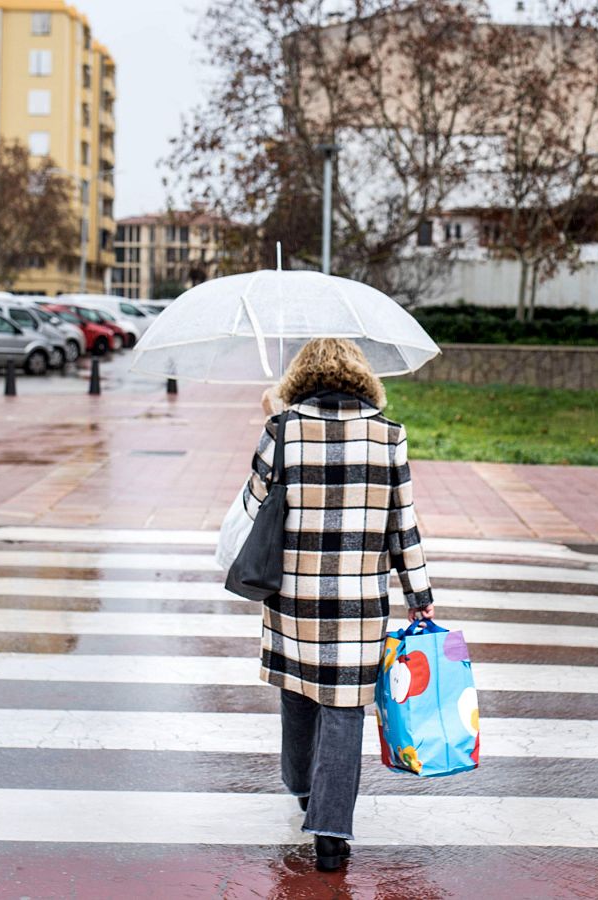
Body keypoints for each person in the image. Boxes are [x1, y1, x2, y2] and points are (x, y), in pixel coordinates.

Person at [239, 337, 435, 872]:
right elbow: (404, 525)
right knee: (345, 709)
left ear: (301, 378)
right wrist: (419, 596)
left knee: (299, 691)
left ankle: (302, 786)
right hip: (359, 600)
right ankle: (330, 833)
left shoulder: (282, 431)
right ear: (360, 378)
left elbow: (253, 503)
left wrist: (272, 422)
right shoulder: (389, 436)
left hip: (294, 594)